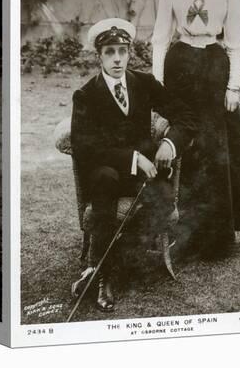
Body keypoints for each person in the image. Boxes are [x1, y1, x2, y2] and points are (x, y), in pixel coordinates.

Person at [70, 18, 196, 312]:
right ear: (99, 56)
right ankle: (104, 277)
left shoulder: (145, 84)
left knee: (163, 202)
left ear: (129, 53)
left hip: (145, 175)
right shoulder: (86, 95)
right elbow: (84, 147)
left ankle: (101, 264)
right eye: (110, 52)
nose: (117, 59)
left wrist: (170, 143)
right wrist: (132, 158)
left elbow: (187, 117)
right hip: (109, 173)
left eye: (122, 51)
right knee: (104, 179)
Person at [151, 0, 240, 261]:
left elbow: (237, 41)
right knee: (185, 143)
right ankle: (182, 234)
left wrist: (234, 85)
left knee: (214, 149)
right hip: (180, 64)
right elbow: (160, 37)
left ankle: (216, 239)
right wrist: (157, 85)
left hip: (214, 66)